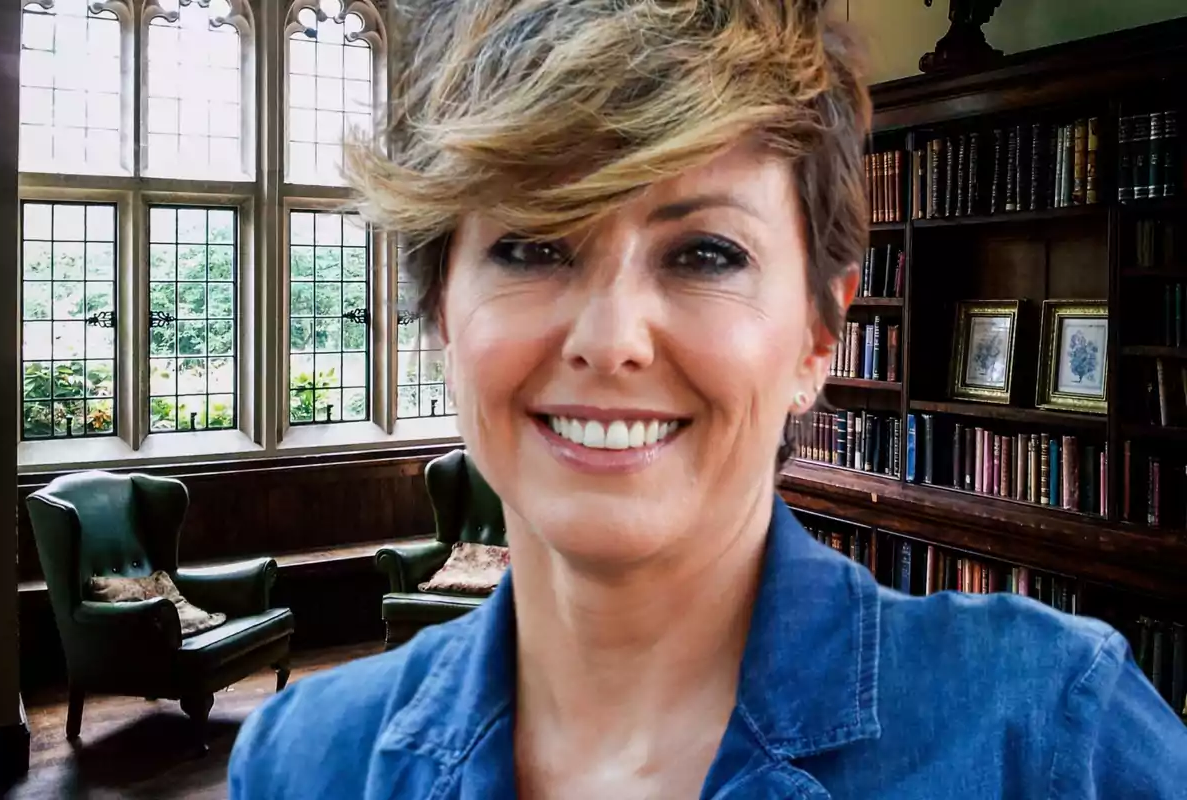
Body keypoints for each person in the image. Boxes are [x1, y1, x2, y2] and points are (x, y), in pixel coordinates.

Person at [229, 1, 1187, 797]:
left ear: (819, 333)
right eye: (530, 246)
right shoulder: (304, 762)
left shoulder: (1054, 739)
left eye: (704, 254)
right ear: (442, 312)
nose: (609, 342)